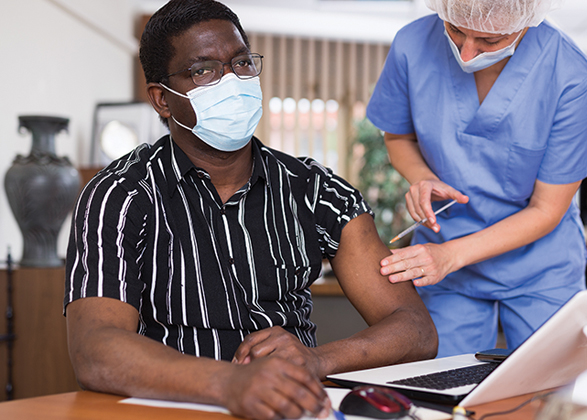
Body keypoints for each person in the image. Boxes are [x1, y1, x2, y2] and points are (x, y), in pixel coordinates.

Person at [64, 1, 438, 419]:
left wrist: (319, 360)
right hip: (172, 407)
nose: (232, 81)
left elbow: (415, 328)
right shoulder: (119, 194)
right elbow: (94, 350)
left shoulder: (316, 190)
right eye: (203, 70)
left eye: (241, 63)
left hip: (293, 406)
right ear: (161, 100)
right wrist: (230, 384)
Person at [367, 0, 587, 358]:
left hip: (540, 266)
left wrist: (450, 256)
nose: (468, 53)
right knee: (442, 386)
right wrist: (421, 178)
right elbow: (398, 137)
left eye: (490, 41)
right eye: (455, 30)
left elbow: (547, 208)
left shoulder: (569, 72)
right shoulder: (412, 45)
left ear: (526, 20)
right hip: (447, 268)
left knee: (551, 391)